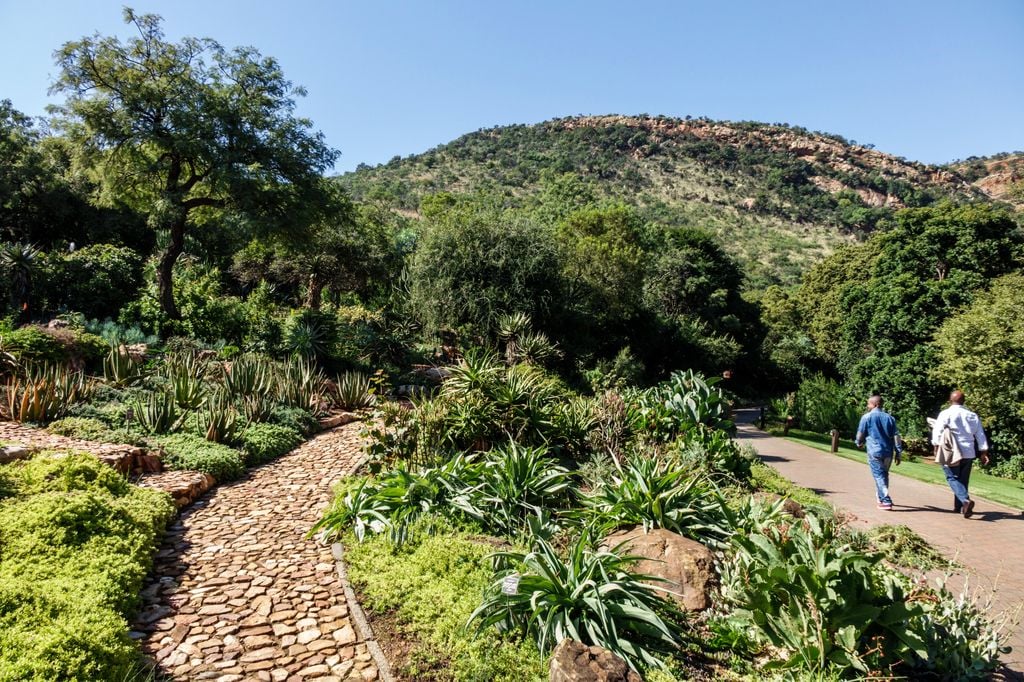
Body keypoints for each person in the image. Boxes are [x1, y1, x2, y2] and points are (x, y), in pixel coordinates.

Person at [931, 390, 990, 518]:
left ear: (950, 400)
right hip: (968, 451)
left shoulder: (945, 414)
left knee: (952, 478)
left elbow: (938, 432)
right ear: (964, 401)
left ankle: (965, 501)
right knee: (963, 481)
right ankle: (960, 508)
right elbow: (980, 434)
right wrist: (983, 452)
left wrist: (936, 446)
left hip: (950, 452)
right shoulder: (972, 415)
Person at [855, 395, 902, 510]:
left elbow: (860, 434)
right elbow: (896, 436)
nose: (867, 406)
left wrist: (859, 443)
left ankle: (886, 500)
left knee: (879, 475)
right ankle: (881, 497)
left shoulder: (866, 417)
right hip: (888, 452)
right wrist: (898, 451)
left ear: (875, 404)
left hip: (875, 451)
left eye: (868, 404)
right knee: (883, 474)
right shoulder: (890, 418)